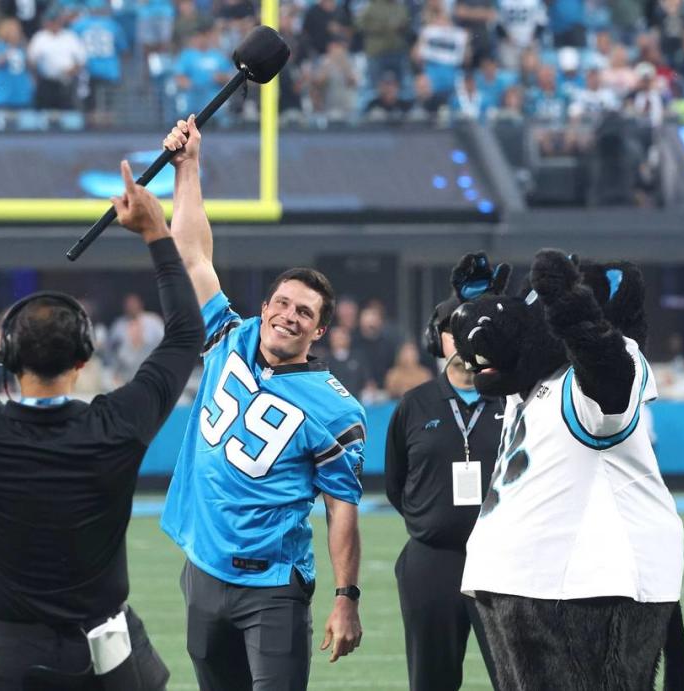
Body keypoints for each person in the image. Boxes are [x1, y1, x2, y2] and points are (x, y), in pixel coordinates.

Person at [0, 164, 204, 689]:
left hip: (10, 657)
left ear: (7, 360)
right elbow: (185, 333)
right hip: (107, 657)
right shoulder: (118, 424)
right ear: (83, 360)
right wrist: (157, 233)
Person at [161, 115, 365, 691]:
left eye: (304, 312)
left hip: (272, 583)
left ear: (319, 331)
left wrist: (346, 597)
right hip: (202, 568)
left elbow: (341, 508)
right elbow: (193, 255)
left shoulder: (335, 409)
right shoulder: (232, 336)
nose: (287, 315)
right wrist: (189, 167)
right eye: (281, 302)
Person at [384, 294, 503, 691]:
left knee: (520, 678)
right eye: (457, 328)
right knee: (431, 681)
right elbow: (396, 484)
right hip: (432, 562)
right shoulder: (413, 405)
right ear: (439, 339)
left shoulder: (517, 402)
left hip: (504, 564)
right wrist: (434, 522)